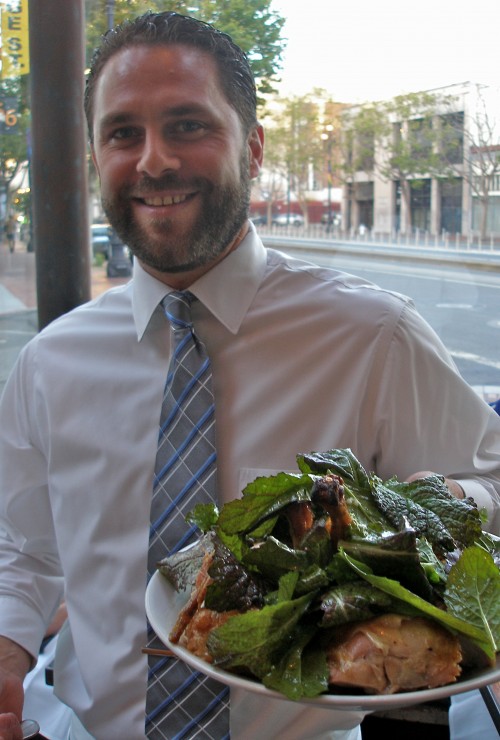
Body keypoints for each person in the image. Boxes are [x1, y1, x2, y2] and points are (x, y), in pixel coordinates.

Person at [0, 10, 498, 740]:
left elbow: (492, 485)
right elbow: (23, 546)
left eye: (188, 125)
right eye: (122, 133)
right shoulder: (49, 363)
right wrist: (8, 654)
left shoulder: (373, 336)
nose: (154, 161)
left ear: (255, 147)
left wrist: (420, 504)